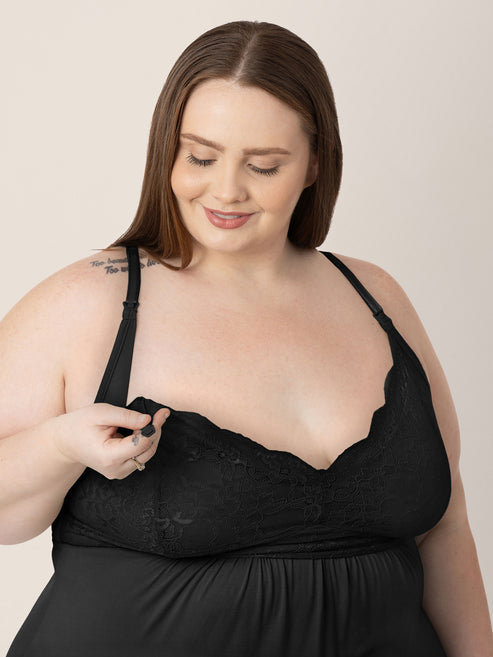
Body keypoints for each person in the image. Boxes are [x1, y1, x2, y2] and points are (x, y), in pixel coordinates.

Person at [1, 19, 492, 657]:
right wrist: (59, 445)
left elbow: (444, 526)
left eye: (263, 165)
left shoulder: (377, 297)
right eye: (200, 157)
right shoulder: (89, 301)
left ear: (315, 165)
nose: (226, 190)